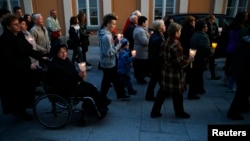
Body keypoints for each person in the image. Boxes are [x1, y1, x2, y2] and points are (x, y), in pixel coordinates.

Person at [0, 14, 46, 120]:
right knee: (17, 93)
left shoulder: (20, 35)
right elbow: (10, 59)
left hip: (24, 68)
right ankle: (20, 112)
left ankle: (24, 107)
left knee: (26, 89)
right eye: (15, 25)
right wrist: (28, 66)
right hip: (12, 72)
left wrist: (41, 57)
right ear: (8, 27)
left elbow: (29, 49)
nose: (19, 26)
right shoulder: (4, 40)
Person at [46, 44, 109, 118]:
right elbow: (63, 81)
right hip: (64, 89)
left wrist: (80, 75)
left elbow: (73, 74)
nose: (64, 54)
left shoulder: (66, 61)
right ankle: (92, 109)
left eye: (65, 51)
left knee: (91, 87)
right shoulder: (55, 66)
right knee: (87, 92)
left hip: (72, 83)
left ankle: (100, 106)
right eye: (61, 52)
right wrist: (78, 77)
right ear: (56, 53)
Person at [150, 22, 192, 119]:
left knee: (162, 92)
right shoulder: (175, 45)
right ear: (176, 32)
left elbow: (161, 56)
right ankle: (179, 112)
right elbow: (180, 63)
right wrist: (189, 60)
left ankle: (155, 112)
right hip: (174, 73)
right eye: (180, 31)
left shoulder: (165, 41)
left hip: (165, 71)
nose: (180, 33)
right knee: (177, 94)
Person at [98, 13, 130, 102]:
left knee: (108, 80)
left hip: (106, 62)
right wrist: (119, 45)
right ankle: (119, 95)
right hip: (109, 62)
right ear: (107, 23)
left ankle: (103, 96)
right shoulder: (107, 36)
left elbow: (107, 47)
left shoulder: (104, 32)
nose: (114, 26)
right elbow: (109, 52)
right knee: (113, 80)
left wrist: (115, 40)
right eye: (113, 23)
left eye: (115, 23)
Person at [227, 27, 250, 120]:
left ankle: (243, 107)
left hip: (238, 69)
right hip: (244, 71)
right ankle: (233, 112)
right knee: (242, 92)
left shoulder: (243, 41)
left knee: (243, 91)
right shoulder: (247, 44)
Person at [187, 20, 213, 100]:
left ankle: (199, 89)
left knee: (197, 75)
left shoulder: (195, 34)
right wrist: (211, 52)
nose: (207, 27)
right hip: (199, 58)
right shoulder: (203, 36)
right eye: (206, 26)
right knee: (196, 76)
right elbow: (205, 48)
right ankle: (192, 94)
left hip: (193, 56)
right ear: (202, 28)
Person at [145, 19, 166, 101]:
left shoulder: (156, 35)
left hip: (154, 62)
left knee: (155, 80)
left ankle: (163, 92)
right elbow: (159, 53)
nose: (165, 26)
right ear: (160, 28)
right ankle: (150, 96)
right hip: (157, 63)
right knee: (154, 80)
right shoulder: (158, 39)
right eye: (164, 25)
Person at [133, 16, 150, 84]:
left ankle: (140, 77)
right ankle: (140, 79)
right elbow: (144, 42)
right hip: (141, 51)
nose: (146, 24)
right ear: (143, 23)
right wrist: (151, 38)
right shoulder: (140, 31)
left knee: (139, 65)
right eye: (146, 22)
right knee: (140, 66)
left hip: (139, 50)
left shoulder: (138, 29)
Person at [206, 14, 221, 80]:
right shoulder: (207, 25)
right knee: (211, 57)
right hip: (209, 43)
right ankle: (213, 74)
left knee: (212, 57)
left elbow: (217, 31)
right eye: (212, 19)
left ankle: (212, 72)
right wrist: (214, 36)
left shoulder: (214, 24)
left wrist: (218, 33)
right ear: (209, 19)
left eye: (214, 19)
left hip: (214, 42)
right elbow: (207, 35)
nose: (213, 20)